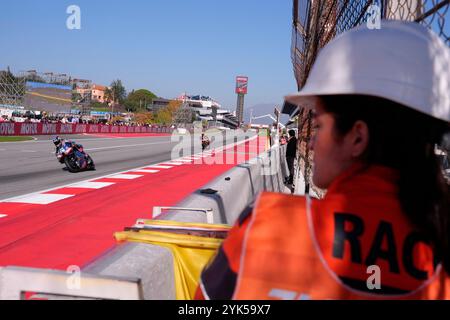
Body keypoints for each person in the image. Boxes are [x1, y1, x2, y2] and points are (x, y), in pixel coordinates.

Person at [195, 21, 450, 300]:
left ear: (357, 137)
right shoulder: (439, 251)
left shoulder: (269, 224)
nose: (311, 141)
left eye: (318, 126)